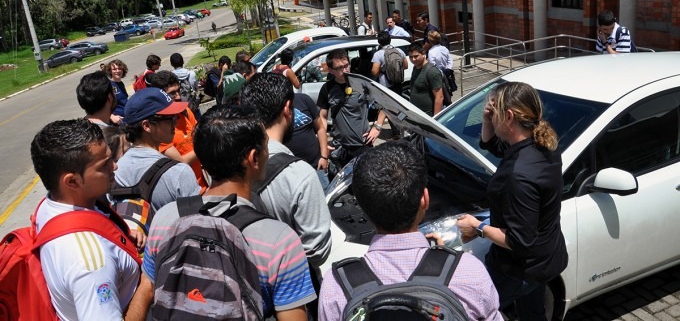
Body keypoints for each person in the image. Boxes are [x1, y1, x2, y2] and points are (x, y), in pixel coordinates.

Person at [128, 105, 316, 320]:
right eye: (266, 147)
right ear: (254, 158)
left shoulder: (165, 218)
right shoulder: (280, 241)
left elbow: (146, 289)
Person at [318, 142, 503, 321]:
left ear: (363, 209)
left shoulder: (336, 286)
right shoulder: (468, 271)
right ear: (425, 199)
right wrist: (442, 260)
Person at [456, 82, 568, 321]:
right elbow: (492, 145)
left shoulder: (520, 175)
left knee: (473, 312)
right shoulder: (544, 144)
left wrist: (476, 227)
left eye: (493, 112)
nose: (489, 115)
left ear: (508, 117)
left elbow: (520, 241)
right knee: (533, 313)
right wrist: (487, 121)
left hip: (518, 269)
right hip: (544, 257)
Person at [31, 119, 144, 320]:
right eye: (104, 165)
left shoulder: (49, 207)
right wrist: (147, 287)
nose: (115, 167)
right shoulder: (91, 264)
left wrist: (119, 236)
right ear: (72, 181)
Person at [240, 73, 331, 317]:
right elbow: (318, 252)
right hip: (295, 297)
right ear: (288, 109)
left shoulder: (230, 160)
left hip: (243, 289)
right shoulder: (299, 174)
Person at [113, 88, 201, 212]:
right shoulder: (178, 173)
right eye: (170, 119)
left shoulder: (115, 171)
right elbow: (197, 224)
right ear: (147, 126)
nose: (175, 124)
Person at [318, 49, 387, 167]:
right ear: (330, 70)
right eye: (339, 68)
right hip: (339, 147)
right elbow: (322, 117)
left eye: (346, 65)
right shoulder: (327, 88)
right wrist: (323, 144)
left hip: (363, 145)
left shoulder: (362, 83)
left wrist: (377, 127)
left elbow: (385, 103)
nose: (345, 70)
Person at [147, 71, 209, 194]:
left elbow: (200, 135)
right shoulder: (158, 128)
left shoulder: (185, 111)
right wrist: (205, 145)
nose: (178, 96)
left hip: (205, 185)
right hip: (186, 193)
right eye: (172, 93)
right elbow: (181, 162)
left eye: (178, 91)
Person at [285, 93, 330, 190]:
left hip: (317, 166)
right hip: (292, 172)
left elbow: (320, 128)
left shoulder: (303, 99)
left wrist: (324, 156)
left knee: (326, 199)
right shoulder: (273, 108)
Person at [408, 42, 444, 116]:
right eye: (411, 57)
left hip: (428, 116)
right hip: (417, 115)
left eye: (416, 56)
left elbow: (439, 97)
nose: (413, 59)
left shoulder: (432, 71)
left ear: (423, 53)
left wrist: (436, 120)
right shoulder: (415, 67)